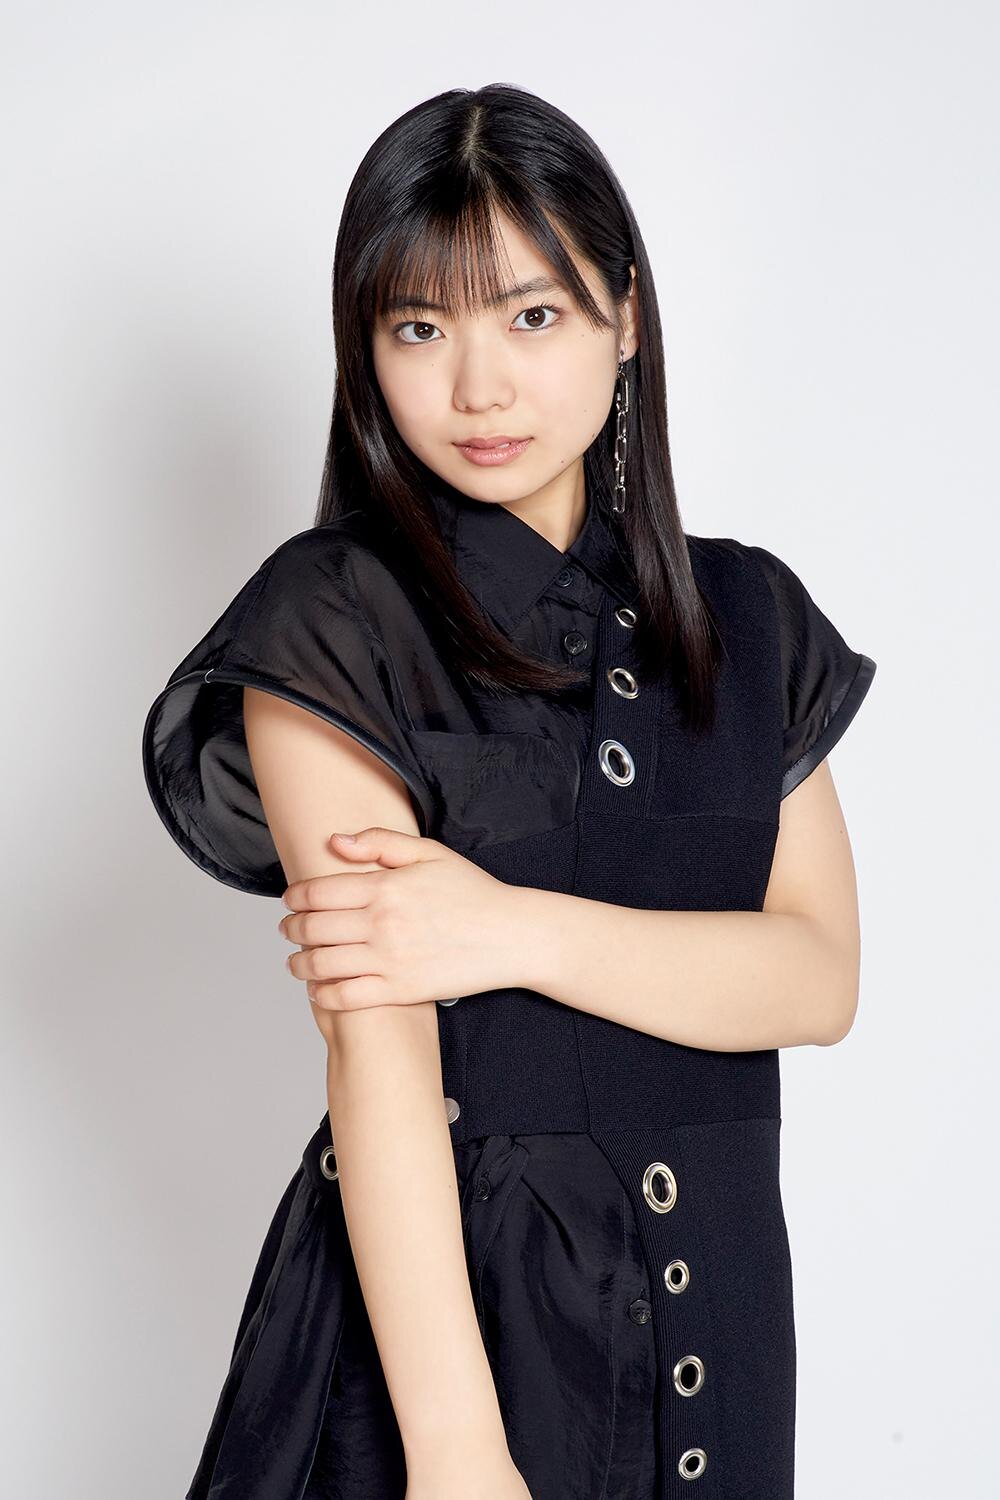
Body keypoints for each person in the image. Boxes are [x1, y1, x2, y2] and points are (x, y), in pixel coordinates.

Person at [142, 83, 877, 1500]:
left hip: (724, 1320)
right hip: (454, 1350)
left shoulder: (752, 621)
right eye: (419, 329)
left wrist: (507, 928)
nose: (478, 390)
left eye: (533, 316)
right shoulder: (333, 620)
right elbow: (380, 1055)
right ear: (365, 349)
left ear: (625, 316)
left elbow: (818, 978)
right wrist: (460, 1455)